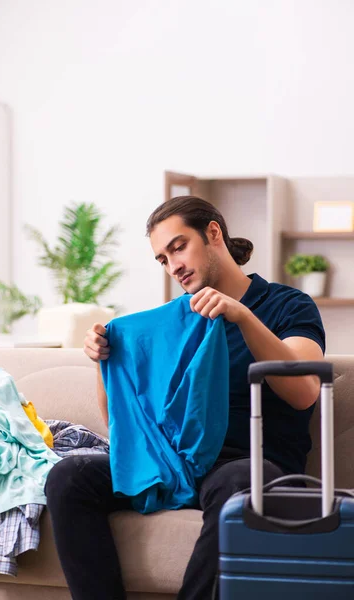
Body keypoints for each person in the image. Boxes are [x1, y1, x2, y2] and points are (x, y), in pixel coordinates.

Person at [45, 196, 325, 600]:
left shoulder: (287, 305)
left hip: (246, 465)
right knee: (69, 477)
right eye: (162, 258)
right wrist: (103, 363)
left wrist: (242, 316)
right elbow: (123, 425)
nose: (173, 265)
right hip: (173, 464)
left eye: (178, 247)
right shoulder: (172, 323)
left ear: (213, 234)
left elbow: (303, 392)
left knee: (237, 480)